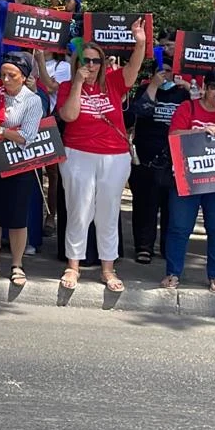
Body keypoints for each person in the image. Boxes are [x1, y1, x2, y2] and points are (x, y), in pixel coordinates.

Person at [56, 20, 146, 292]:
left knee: (108, 211)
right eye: (87, 61)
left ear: (103, 63)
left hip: (114, 156)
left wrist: (140, 42)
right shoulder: (66, 86)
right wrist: (78, 84)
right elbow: (69, 115)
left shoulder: (115, 83)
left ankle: (108, 268)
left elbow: (134, 68)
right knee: (79, 210)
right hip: (78, 153)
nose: (92, 65)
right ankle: (73, 266)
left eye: (96, 61)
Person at [162, 75, 215, 292]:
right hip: (188, 178)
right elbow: (174, 135)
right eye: (213, 87)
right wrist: (198, 133)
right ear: (204, 88)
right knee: (179, 227)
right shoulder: (187, 108)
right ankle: (173, 273)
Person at [0, 53, 44, 286]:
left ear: (23, 77)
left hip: (18, 163)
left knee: (16, 217)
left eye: (11, 75)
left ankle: (17, 264)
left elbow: (27, 137)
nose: (5, 79)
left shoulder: (32, 100)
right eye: (2, 74)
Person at [126, 67, 189, 264]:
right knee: (145, 204)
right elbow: (139, 112)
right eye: (161, 71)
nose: (165, 75)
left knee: (171, 206)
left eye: (169, 71)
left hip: (173, 155)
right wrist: (153, 85)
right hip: (146, 155)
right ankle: (144, 246)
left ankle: (167, 247)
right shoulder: (145, 89)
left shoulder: (182, 93)